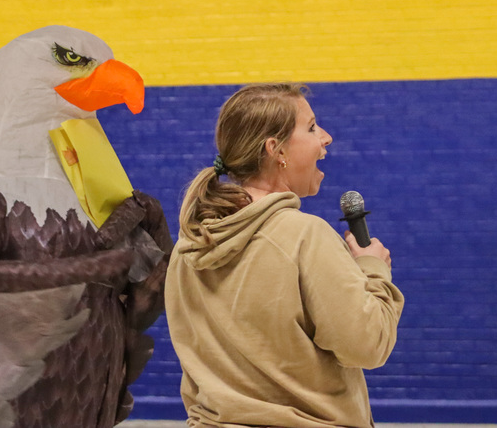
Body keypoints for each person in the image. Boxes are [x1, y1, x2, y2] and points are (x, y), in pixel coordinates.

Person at [165, 83, 404, 428]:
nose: (326, 138)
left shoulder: (189, 246)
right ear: (276, 150)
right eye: (310, 128)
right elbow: (367, 346)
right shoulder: (305, 235)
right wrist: (374, 271)